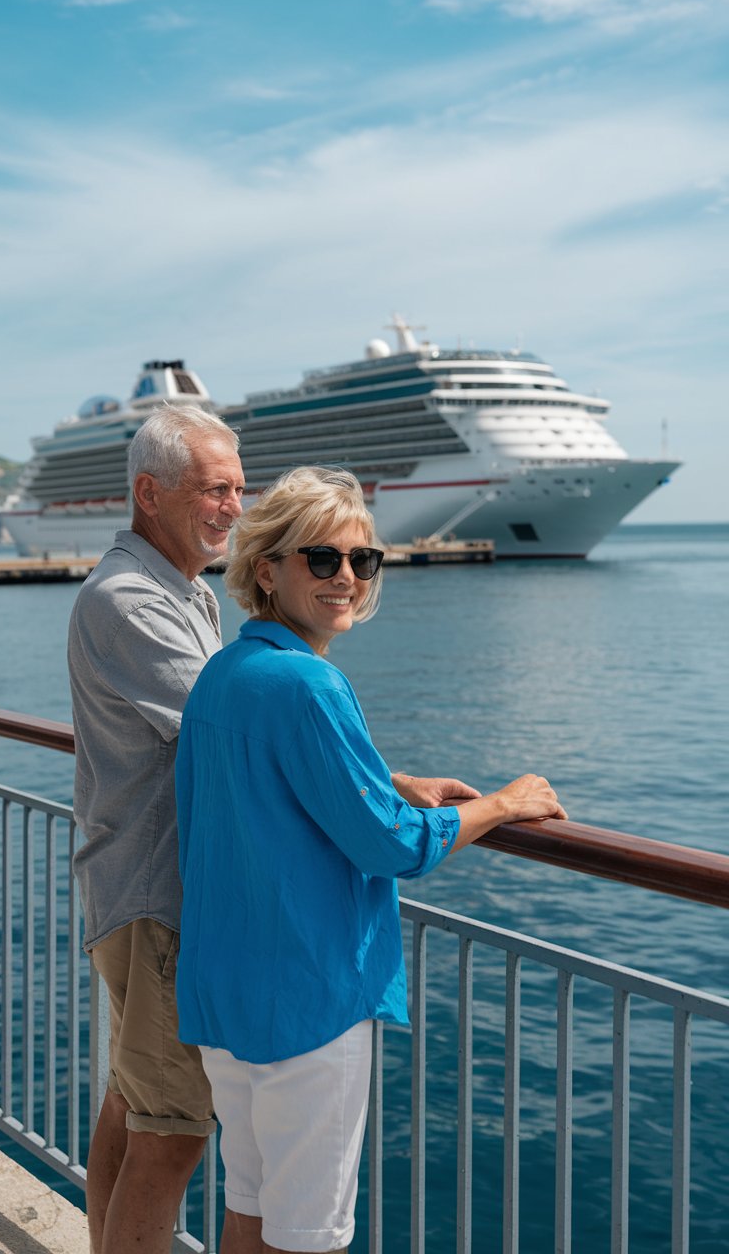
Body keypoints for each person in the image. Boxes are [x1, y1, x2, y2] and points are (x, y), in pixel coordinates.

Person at [175, 465, 567, 1254]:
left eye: (363, 560)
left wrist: (387, 782)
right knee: (307, 1237)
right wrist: (502, 803)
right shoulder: (310, 685)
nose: (346, 577)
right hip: (308, 1002)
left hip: (226, 996)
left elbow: (270, 787)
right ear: (268, 570)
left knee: (248, 1211)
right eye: (321, 559)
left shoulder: (224, 674)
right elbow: (390, 844)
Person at [67, 403, 246, 1254]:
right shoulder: (132, 601)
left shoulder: (184, 592)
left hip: (136, 887)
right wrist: (390, 784)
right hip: (156, 896)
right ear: (150, 493)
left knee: (132, 1108)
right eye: (216, 489)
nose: (235, 508)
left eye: (239, 488)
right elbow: (236, 730)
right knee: (172, 1133)